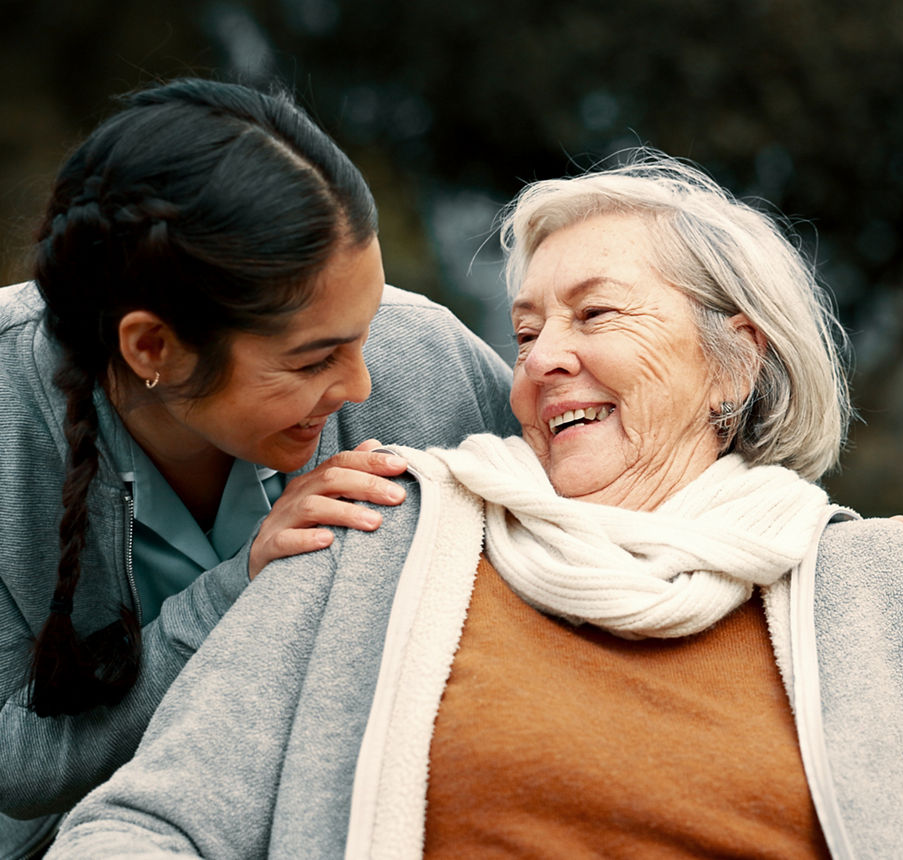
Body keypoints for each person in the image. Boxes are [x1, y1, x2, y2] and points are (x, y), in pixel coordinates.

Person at [47, 151, 903, 859]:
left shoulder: (883, 586)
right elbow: (148, 825)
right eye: (523, 331)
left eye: (595, 312)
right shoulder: (381, 535)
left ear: (732, 363)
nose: (545, 358)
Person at [0, 78, 517, 859]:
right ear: (151, 348)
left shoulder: (430, 362)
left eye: (366, 330)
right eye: (313, 360)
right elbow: (16, 759)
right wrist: (241, 585)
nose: (360, 387)